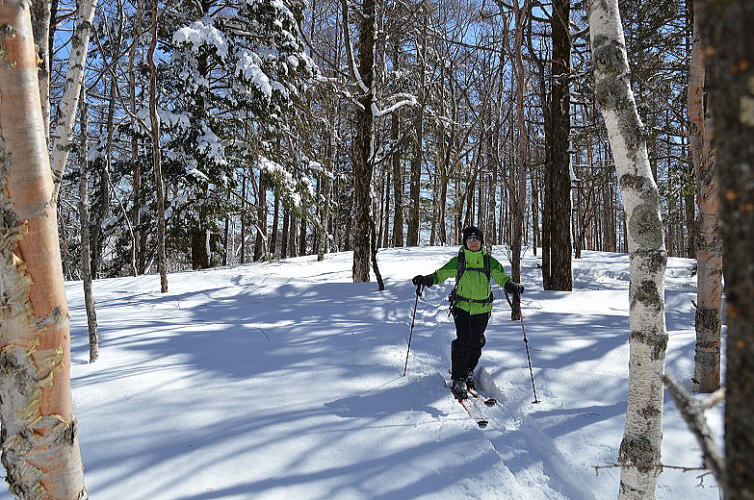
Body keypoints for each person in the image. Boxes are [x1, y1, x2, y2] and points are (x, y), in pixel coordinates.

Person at [412, 226, 524, 400]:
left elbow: (503, 278)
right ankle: (458, 378)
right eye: (470, 239)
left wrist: (511, 286)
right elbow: (440, 275)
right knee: (463, 341)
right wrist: (425, 280)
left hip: (483, 309)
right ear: (465, 241)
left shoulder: (489, 262)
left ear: (481, 242)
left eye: (476, 239)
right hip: (462, 307)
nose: (473, 242)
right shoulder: (459, 261)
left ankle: (469, 370)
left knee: (477, 341)